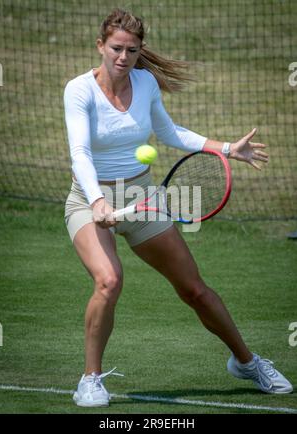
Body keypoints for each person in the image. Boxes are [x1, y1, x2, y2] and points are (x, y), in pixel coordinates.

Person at [64, 8, 293, 407]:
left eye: (132, 50)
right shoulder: (78, 90)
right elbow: (80, 151)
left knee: (194, 290)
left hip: (141, 199)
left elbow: (169, 132)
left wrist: (225, 148)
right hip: (88, 198)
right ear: (100, 46)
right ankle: (91, 379)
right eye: (116, 48)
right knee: (109, 280)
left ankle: (247, 362)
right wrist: (98, 200)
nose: (123, 57)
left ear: (139, 52)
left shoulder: (146, 82)